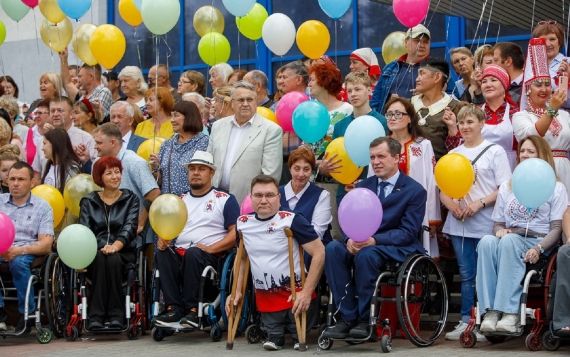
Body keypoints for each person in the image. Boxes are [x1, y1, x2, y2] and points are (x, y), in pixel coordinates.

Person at [322, 137, 427, 340]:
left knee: (367, 254)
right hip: (361, 242)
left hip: (393, 246)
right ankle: (346, 318)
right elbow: (348, 217)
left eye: (381, 156)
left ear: (396, 158)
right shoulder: (363, 186)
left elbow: (407, 232)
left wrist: (374, 240)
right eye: (372, 157)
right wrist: (349, 239)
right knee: (333, 249)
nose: (376, 161)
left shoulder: (414, 191)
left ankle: (365, 321)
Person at [477, 135, 566, 334]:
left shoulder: (556, 187)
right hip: (511, 237)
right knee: (486, 242)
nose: (524, 155)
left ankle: (509, 312)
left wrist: (538, 247)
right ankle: (489, 311)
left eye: (530, 151)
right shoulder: (508, 186)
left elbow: (556, 228)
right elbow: (498, 222)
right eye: (522, 151)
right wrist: (499, 231)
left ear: (542, 155)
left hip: (538, 239)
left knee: (509, 241)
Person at [227, 174, 325, 351]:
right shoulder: (242, 223)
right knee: (274, 336)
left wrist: (307, 291)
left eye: (269, 195)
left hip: (295, 295)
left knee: (298, 334)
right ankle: (275, 336)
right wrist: (237, 291)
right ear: (251, 197)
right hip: (267, 299)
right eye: (258, 195)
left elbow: (319, 252)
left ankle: (296, 336)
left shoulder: (292, 219)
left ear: (279, 198)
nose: (264, 200)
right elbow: (241, 259)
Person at [441, 105, 512, 341]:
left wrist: (479, 203)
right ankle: (466, 320)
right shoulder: (453, 154)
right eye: (461, 123)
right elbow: (443, 189)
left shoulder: (495, 151)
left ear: (482, 124)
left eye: (470, 122)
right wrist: (454, 206)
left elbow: (504, 186)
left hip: (485, 223)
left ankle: (484, 319)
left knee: (485, 273)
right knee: (466, 273)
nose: (465, 127)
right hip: (460, 223)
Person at [152, 151, 240, 328]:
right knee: (162, 254)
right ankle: (174, 309)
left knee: (193, 253)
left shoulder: (224, 199)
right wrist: (163, 239)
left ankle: (193, 311)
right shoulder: (180, 200)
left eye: (202, 169)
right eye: (192, 169)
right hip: (183, 252)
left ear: (212, 173)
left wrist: (212, 248)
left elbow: (236, 233)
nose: (196, 172)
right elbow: (169, 227)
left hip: (211, 257)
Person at [79, 156, 139, 330]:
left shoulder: (131, 199)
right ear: (100, 177)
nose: (115, 176)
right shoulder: (89, 201)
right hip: (95, 251)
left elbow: (130, 227)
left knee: (112, 258)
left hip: (123, 251)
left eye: (117, 172)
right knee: (100, 257)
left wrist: (115, 246)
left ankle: (113, 314)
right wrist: (98, 249)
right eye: (109, 173)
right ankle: (97, 315)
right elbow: (85, 231)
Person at [379, 97, 440, 257]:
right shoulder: (381, 145)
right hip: (387, 210)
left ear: (410, 118)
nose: (392, 118)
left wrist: (432, 219)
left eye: (398, 114)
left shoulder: (422, 145)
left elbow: (431, 181)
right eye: (389, 114)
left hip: (415, 209)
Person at [83, 123, 160, 246]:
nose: (95, 147)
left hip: (131, 237)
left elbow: (153, 192)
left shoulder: (134, 162)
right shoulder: (97, 163)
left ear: (113, 143)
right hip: (104, 233)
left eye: (99, 143)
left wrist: (139, 223)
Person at [512, 38, 570, 199]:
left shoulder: (564, 115)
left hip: (565, 172)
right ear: (528, 90)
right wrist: (552, 109)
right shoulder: (521, 116)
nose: (544, 89)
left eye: (547, 84)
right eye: (538, 84)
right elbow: (532, 136)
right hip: (537, 171)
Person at [207, 81, 283, 204]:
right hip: (215, 199)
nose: (245, 104)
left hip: (248, 202)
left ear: (256, 101)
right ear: (232, 103)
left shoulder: (271, 130)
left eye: (250, 99)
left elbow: (270, 175)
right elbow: (208, 163)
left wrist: (258, 201)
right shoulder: (217, 126)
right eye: (241, 100)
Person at [0, 162, 54, 333]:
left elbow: (45, 244)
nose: (15, 183)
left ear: (32, 182)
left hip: (27, 250)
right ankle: (0, 312)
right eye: (12, 179)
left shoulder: (43, 207)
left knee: (18, 263)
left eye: (21, 179)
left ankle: (27, 314)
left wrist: (20, 250)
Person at [446, 65, 519, 170]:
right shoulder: (474, 112)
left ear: (504, 86)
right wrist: (453, 126)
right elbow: (458, 147)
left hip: (510, 167)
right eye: (484, 81)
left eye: (493, 80)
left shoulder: (515, 113)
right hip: (479, 169)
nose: (488, 85)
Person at [279, 147, 333, 255]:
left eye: (306, 169)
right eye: (297, 168)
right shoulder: (276, 193)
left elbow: (316, 234)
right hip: (282, 252)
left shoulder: (322, 195)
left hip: (311, 254)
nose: (301, 174)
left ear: (312, 171)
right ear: (289, 169)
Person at [150, 101, 209, 195]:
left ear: (189, 117)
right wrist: (155, 167)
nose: (172, 120)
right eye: (171, 115)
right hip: (168, 205)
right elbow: (159, 182)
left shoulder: (205, 143)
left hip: (194, 204)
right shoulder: (167, 144)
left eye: (176, 115)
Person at [32, 97, 97, 182]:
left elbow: (94, 171)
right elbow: (38, 175)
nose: (55, 114)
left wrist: (84, 160)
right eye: (52, 111)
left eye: (60, 110)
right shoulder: (42, 141)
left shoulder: (85, 138)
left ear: (72, 114)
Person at [371, 24, 431, 114]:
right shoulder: (390, 68)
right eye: (417, 41)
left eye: (426, 42)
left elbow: (452, 98)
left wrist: (429, 97)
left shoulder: (437, 68)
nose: (422, 45)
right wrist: (390, 103)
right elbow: (376, 101)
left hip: (424, 124)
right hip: (391, 123)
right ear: (406, 42)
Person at [411, 57, 463, 160]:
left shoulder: (456, 107)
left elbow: (462, 148)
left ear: (437, 77)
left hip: (441, 171)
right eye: (418, 74)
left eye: (422, 73)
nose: (417, 79)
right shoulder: (407, 104)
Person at [60, 50, 112, 117]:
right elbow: (67, 83)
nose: (78, 81)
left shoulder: (103, 91)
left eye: (80, 76)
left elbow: (95, 117)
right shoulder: (83, 95)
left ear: (90, 77)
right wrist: (63, 59)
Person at [532, 20, 570, 111]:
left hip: (560, 119)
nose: (547, 44)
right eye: (543, 40)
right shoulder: (530, 65)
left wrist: (564, 79)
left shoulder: (568, 63)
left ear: (559, 42)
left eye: (552, 39)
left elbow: (567, 102)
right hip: (534, 118)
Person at [40, 128, 81, 193]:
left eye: (44, 143)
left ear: (55, 144)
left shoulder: (71, 168)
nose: (42, 148)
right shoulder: (48, 165)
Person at [24, 99, 51, 164]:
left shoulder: (56, 133)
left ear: (50, 114)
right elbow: (24, 157)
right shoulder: (30, 132)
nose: (37, 116)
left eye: (40, 113)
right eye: (36, 113)